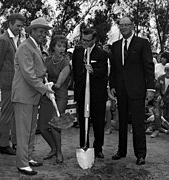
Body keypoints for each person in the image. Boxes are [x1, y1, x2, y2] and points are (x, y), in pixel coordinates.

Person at [109, 16, 155, 165]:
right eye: (121, 25)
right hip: (121, 91)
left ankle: (140, 154)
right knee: (121, 122)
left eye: (127, 25)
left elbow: (149, 67)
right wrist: (113, 86)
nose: (123, 28)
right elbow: (114, 69)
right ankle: (121, 151)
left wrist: (150, 88)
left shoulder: (142, 43)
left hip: (137, 90)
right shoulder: (115, 45)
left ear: (132, 26)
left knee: (137, 124)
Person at [11, 17, 54, 176]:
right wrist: (44, 89)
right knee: (24, 131)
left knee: (30, 130)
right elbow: (28, 74)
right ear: (32, 32)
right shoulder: (25, 47)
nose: (44, 34)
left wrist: (44, 84)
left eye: (45, 32)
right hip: (24, 95)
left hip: (32, 95)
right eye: (41, 31)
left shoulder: (35, 47)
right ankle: (22, 163)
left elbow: (37, 71)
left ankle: (27, 157)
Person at [0, 13, 25, 155]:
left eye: (21, 26)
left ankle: (16, 143)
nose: (20, 28)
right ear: (10, 24)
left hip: (16, 84)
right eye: (18, 26)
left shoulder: (17, 39)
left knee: (16, 115)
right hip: (7, 84)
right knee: (6, 115)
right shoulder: (3, 40)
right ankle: (4, 145)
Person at [72, 28, 108, 158]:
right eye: (83, 40)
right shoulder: (78, 52)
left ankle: (98, 148)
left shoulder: (102, 54)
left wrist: (93, 71)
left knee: (98, 123)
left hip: (97, 95)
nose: (84, 43)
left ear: (94, 40)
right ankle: (84, 145)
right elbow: (75, 72)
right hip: (82, 93)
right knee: (83, 121)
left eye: (88, 41)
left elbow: (103, 72)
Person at [38, 35, 71, 164]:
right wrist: (42, 78)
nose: (62, 49)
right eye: (59, 46)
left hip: (59, 96)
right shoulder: (47, 60)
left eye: (64, 46)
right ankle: (53, 148)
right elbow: (41, 74)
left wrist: (51, 84)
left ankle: (59, 152)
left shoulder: (66, 64)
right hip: (47, 96)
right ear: (53, 47)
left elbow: (59, 83)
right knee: (42, 127)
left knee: (55, 125)